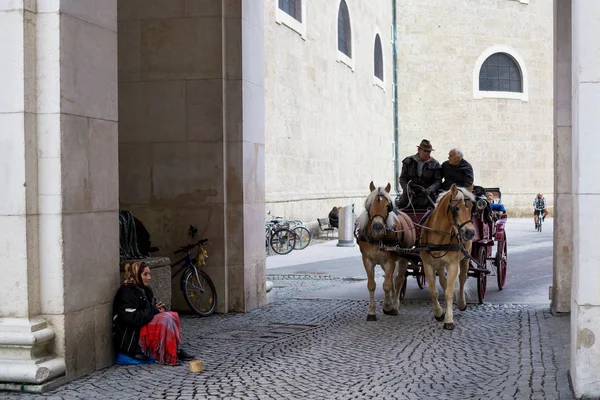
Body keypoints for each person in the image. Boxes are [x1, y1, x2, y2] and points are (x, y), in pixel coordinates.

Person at [112, 261, 195, 366]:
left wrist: (159, 309)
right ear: (136, 275)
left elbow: (152, 306)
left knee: (171, 315)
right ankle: (167, 355)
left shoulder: (145, 289)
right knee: (165, 320)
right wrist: (154, 310)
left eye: (149, 274)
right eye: (145, 274)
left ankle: (174, 350)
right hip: (130, 339)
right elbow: (133, 318)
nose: (149, 277)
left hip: (141, 328)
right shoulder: (127, 292)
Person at [396, 139, 442, 209]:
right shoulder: (408, 161)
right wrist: (407, 189)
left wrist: (430, 189)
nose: (426, 153)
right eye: (425, 151)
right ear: (419, 149)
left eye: (429, 151)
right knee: (398, 210)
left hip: (427, 196)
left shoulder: (435, 164)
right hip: (409, 195)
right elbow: (403, 178)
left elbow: (438, 181)